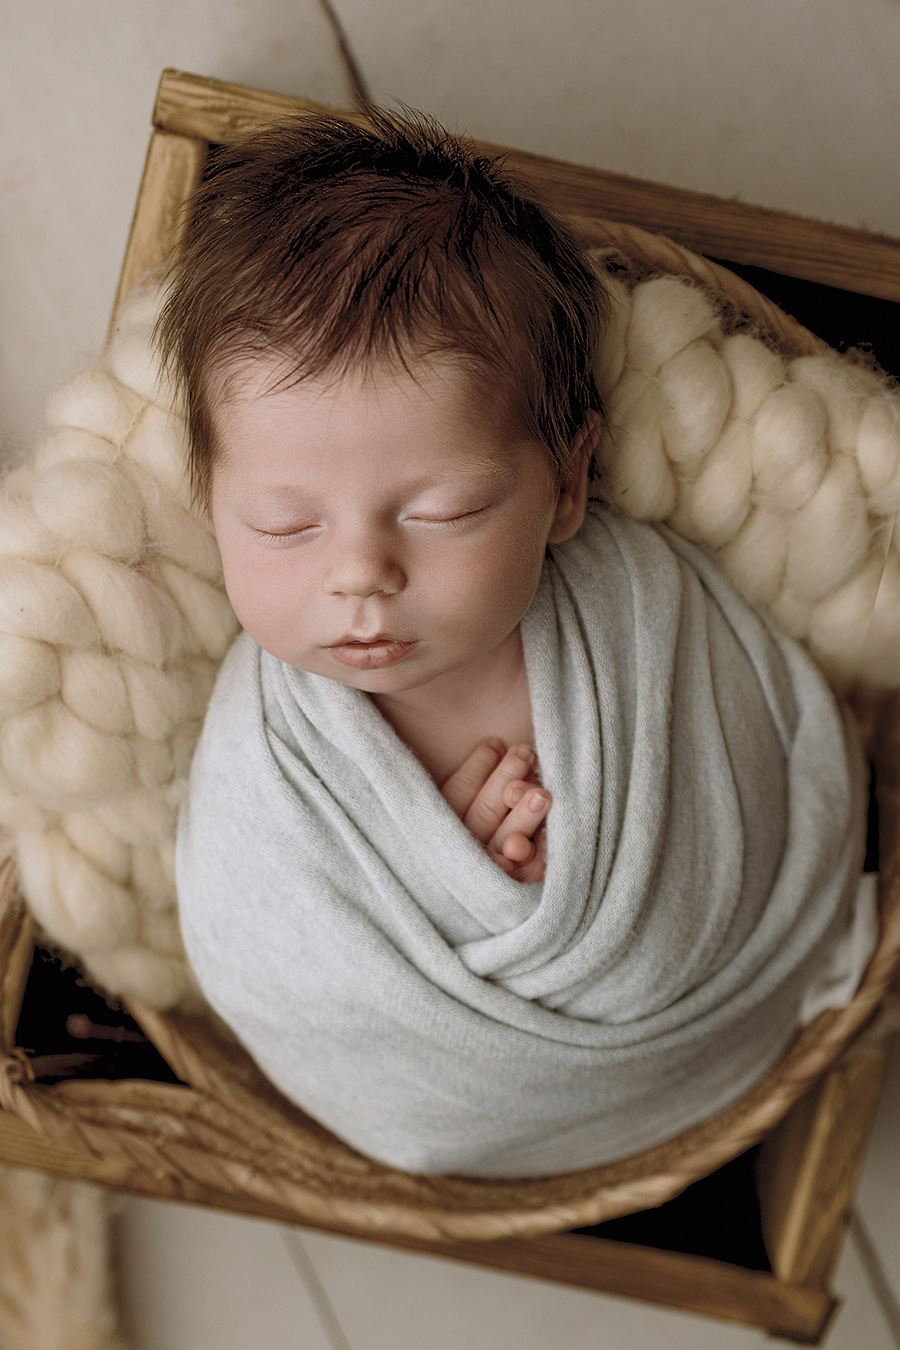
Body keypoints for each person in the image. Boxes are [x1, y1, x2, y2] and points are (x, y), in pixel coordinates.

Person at [159, 109, 870, 1176]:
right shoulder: (269, 761)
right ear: (210, 503)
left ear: (568, 484)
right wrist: (444, 876)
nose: (360, 573)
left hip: (707, 1006)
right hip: (454, 1097)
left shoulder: (641, 620)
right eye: (284, 525)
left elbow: (747, 760)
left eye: (442, 510)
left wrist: (525, 890)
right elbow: (265, 941)